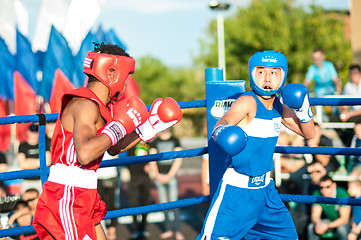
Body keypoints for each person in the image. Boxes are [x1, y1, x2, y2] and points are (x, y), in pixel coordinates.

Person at [32, 43, 182, 240]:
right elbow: (85, 154)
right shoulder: (85, 105)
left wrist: (149, 128)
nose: (127, 84)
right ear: (112, 73)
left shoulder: (104, 108)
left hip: (85, 193)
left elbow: (112, 147)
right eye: (127, 77)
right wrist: (119, 126)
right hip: (67, 196)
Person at [197, 50, 316, 240]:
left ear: (282, 75)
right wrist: (223, 132)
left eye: (273, 72)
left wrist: (303, 110)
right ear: (252, 73)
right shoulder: (247, 101)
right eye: (261, 72)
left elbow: (309, 133)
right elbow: (223, 122)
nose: (267, 78)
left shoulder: (278, 106)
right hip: (237, 193)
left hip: (266, 191)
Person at [149, 129, 185, 240]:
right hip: (159, 176)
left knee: (174, 204)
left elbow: (179, 159)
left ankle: (177, 231)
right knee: (164, 204)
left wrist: (170, 175)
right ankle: (168, 229)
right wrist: (157, 175)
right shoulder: (155, 141)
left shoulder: (175, 140)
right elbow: (152, 159)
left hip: (171, 175)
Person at [307, 175, 351, 240]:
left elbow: (344, 219)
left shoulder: (342, 194)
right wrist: (319, 224)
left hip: (344, 223)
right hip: (329, 221)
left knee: (341, 229)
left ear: (334, 185)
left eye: (327, 187)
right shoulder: (317, 194)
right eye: (321, 187)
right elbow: (315, 216)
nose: (324, 190)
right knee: (311, 227)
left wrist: (327, 226)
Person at [127, 141, 152, 239]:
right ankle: (135, 230)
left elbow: (153, 154)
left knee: (145, 203)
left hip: (145, 177)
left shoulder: (149, 142)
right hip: (134, 177)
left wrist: (150, 165)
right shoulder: (131, 141)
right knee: (133, 204)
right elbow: (126, 159)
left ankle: (143, 228)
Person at [17, 123, 52, 194]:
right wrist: (40, 162)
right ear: (28, 132)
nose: (33, 134)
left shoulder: (44, 144)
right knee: (26, 202)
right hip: (27, 180)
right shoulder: (22, 146)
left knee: (42, 203)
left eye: (35, 132)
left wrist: (29, 162)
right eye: (32, 131)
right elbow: (23, 165)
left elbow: (47, 162)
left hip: (41, 179)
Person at [347, 170, 361, 240]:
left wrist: (358, 227)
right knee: (351, 237)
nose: (348, 190)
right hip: (355, 227)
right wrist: (353, 226)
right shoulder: (353, 200)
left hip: (359, 227)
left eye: (351, 188)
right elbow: (353, 215)